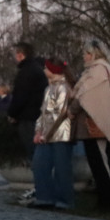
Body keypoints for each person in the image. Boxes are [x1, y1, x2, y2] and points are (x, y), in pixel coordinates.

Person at [70, 39, 110, 209]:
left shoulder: (98, 71)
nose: (84, 56)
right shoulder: (103, 70)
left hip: (96, 125)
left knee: (101, 163)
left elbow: (83, 96)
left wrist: (72, 109)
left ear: (93, 54)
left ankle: (108, 200)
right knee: (101, 162)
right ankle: (107, 197)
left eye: (86, 53)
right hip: (95, 125)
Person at [25, 58, 76, 209]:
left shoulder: (63, 88)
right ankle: (44, 197)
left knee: (62, 168)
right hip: (45, 135)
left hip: (61, 134)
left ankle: (65, 200)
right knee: (40, 164)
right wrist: (38, 131)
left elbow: (59, 114)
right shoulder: (48, 88)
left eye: (46, 68)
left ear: (53, 70)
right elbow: (43, 112)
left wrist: (46, 135)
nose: (44, 70)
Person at [8, 42, 48, 164]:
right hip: (37, 114)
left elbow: (20, 96)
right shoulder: (37, 69)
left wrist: (12, 113)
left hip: (28, 116)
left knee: (33, 150)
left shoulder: (25, 72)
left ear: (20, 55)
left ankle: (39, 178)